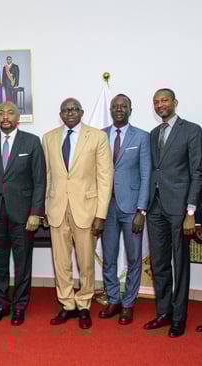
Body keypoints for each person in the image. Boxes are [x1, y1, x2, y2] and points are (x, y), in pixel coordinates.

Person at [0, 101, 45, 326]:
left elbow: (40, 181)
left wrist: (35, 212)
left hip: (23, 216)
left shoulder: (32, 142)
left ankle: (20, 306)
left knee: (22, 263)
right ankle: (2, 303)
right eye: (1, 113)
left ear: (17, 117)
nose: (5, 116)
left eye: (10, 112)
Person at [43, 97, 112, 329]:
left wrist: (100, 214)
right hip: (57, 209)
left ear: (81, 112)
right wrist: (45, 207)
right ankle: (67, 304)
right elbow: (48, 176)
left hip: (87, 210)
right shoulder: (49, 138)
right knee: (60, 262)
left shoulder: (98, 137)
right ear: (60, 114)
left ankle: (83, 305)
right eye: (65, 110)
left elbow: (105, 178)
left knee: (85, 262)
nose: (69, 113)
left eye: (74, 109)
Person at [143, 88, 202, 338]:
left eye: (165, 100)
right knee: (159, 264)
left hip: (179, 208)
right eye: (156, 102)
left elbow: (197, 172)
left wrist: (191, 212)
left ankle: (179, 318)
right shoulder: (154, 133)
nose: (160, 105)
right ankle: (164, 312)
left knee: (180, 264)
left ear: (175, 102)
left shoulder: (191, 130)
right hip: (155, 207)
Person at [99, 94, 151, 325]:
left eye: (124, 106)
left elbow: (146, 174)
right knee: (108, 256)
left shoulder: (142, 136)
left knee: (133, 258)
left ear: (131, 109)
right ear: (110, 109)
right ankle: (113, 298)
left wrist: (141, 209)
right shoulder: (99, 136)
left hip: (131, 208)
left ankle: (128, 303)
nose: (119, 109)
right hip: (105, 207)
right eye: (115, 106)